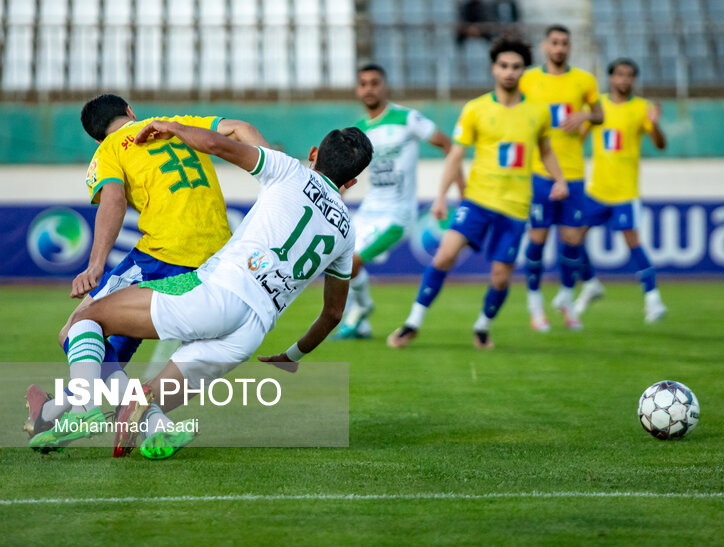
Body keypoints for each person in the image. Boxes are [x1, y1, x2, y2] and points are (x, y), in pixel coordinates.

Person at [28, 122, 373, 458]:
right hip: (251, 332)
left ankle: (83, 407)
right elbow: (333, 314)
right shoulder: (346, 233)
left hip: (218, 293)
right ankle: (154, 427)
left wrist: (173, 127)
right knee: (142, 401)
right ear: (352, 180)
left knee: (87, 319)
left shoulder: (290, 170)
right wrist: (292, 355)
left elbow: (218, 145)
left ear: (313, 153)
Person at [24, 94, 268, 438]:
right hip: (220, 261)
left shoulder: (109, 149)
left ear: (96, 137)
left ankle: (93, 412)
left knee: (76, 328)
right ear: (130, 112)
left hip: (165, 255)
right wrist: (282, 172)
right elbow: (241, 128)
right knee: (107, 356)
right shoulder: (177, 123)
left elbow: (113, 198)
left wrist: (95, 266)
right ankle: (53, 414)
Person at [386, 36, 569, 350]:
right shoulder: (476, 109)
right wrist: (442, 196)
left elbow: (547, 150)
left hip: (515, 207)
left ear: (523, 70)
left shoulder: (538, 112)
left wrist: (560, 180)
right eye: (503, 66)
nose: (509, 72)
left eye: (515, 66)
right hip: (478, 200)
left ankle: (483, 327)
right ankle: (412, 323)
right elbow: (455, 155)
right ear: (493, 69)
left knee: (500, 277)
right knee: (444, 255)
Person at [332, 63, 461, 340]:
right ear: (358, 89)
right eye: (363, 83)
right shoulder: (360, 130)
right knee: (339, 262)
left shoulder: (407, 118)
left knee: (352, 262)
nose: (369, 88)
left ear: (385, 86)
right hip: (368, 210)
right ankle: (361, 325)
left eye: (374, 83)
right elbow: (346, 172)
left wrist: (454, 191)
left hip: (398, 215)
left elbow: (448, 145)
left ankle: (363, 309)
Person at [518, 24, 602, 332]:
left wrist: (585, 116)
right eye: (554, 42)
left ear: (569, 47)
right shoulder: (528, 80)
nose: (560, 47)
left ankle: (566, 300)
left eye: (565, 43)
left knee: (571, 239)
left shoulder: (584, 80)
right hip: (540, 173)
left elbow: (601, 114)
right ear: (544, 46)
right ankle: (535, 307)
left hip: (574, 173)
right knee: (537, 240)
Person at [573, 58, 668, 323]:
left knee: (633, 242)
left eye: (629, 75)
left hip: (625, 192)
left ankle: (653, 299)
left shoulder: (642, 108)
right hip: (596, 190)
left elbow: (660, 144)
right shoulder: (597, 107)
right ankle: (590, 283)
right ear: (611, 78)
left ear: (634, 80)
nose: (624, 80)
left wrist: (655, 124)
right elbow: (576, 139)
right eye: (619, 75)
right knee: (573, 237)